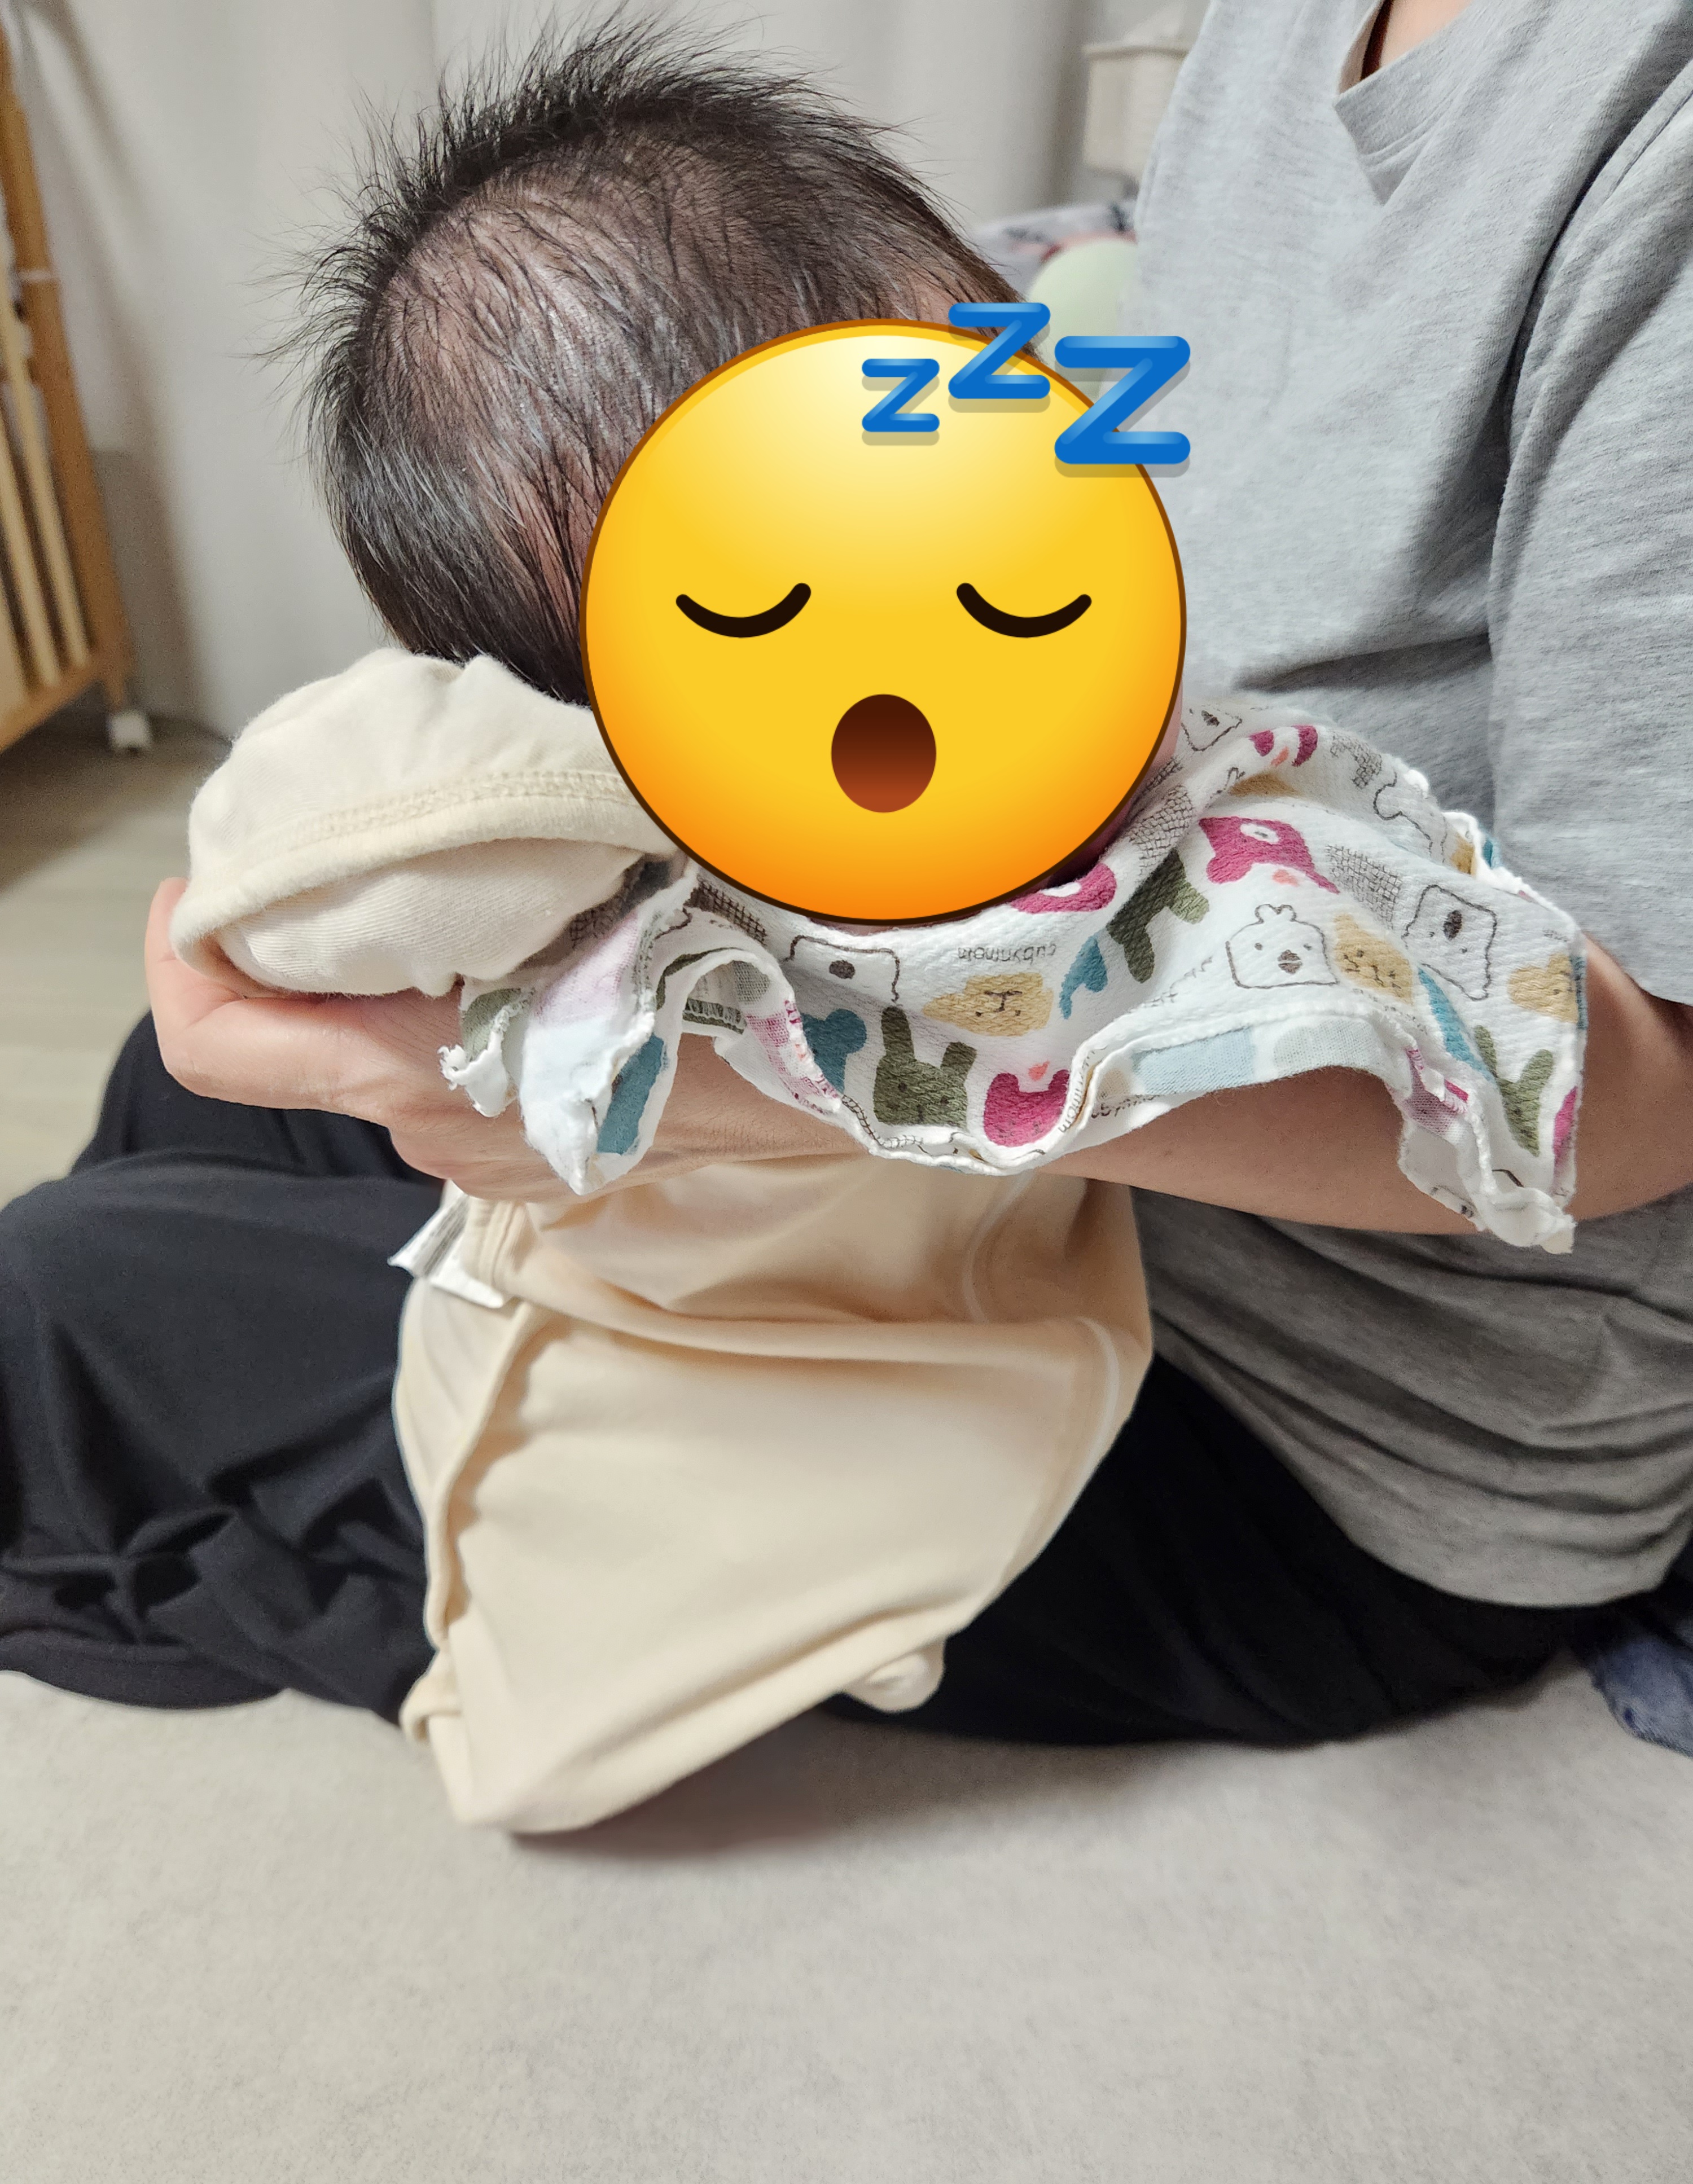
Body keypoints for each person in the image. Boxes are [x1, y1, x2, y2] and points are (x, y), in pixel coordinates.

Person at [2, 1, 1689, 1760]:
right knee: (185, 1083)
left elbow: (1625, 1084)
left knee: (68, 1311)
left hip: (1317, 1426)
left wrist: (748, 1080)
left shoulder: (1270, 859)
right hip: (1008, 1184)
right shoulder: (1276, 33)